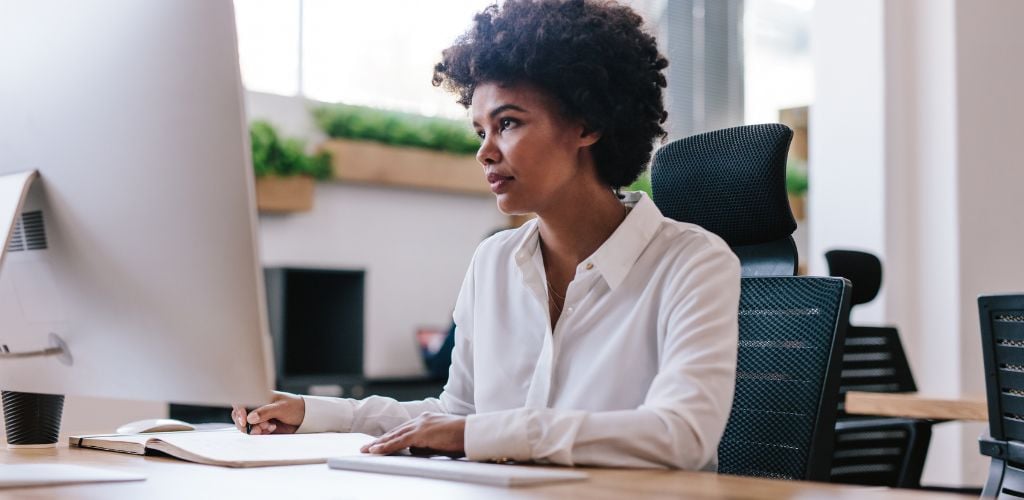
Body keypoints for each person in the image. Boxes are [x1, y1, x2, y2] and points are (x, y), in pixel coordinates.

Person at [233, 0, 740, 470]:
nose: (485, 152)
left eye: (509, 123)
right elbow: (454, 415)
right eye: (481, 131)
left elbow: (681, 435)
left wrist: (484, 435)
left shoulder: (693, 263)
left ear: (587, 125)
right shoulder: (494, 262)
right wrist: (314, 413)